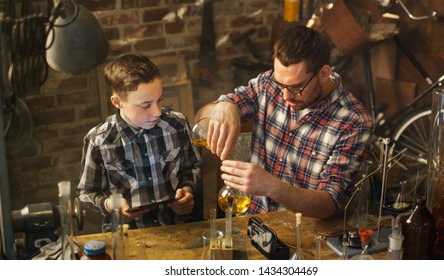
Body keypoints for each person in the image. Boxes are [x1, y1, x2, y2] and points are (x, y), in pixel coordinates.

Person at [195, 25, 372, 219]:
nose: (286, 96)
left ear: (323, 73)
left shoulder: (353, 122)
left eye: (296, 87)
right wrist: (225, 107)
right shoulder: (268, 84)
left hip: (300, 234)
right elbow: (199, 119)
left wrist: (272, 187)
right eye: (281, 85)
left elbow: (329, 204)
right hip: (251, 221)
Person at [77, 53, 202, 231]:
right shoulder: (99, 140)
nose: (157, 112)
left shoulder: (177, 125)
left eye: (160, 100)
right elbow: (86, 194)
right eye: (145, 105)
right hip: (126, 233)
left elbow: (192, 167)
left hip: (177, 227)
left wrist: (187, 191)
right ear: (117, 102)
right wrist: (109, 205)